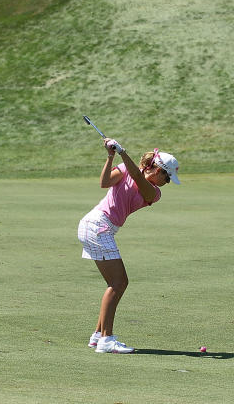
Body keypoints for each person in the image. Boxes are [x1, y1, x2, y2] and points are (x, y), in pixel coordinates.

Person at [78, 137, 180, 354]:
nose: (167, 182)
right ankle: (107, 340)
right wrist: (111, 156)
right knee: (118, 283)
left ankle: (98, 336)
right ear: (157, 169)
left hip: (98, 226)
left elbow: (136, 176)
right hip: (97, 224)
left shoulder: (153, 193)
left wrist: (123, 152)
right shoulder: (125, 168)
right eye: (167, 177)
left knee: (114, 284)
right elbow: (104, 182)